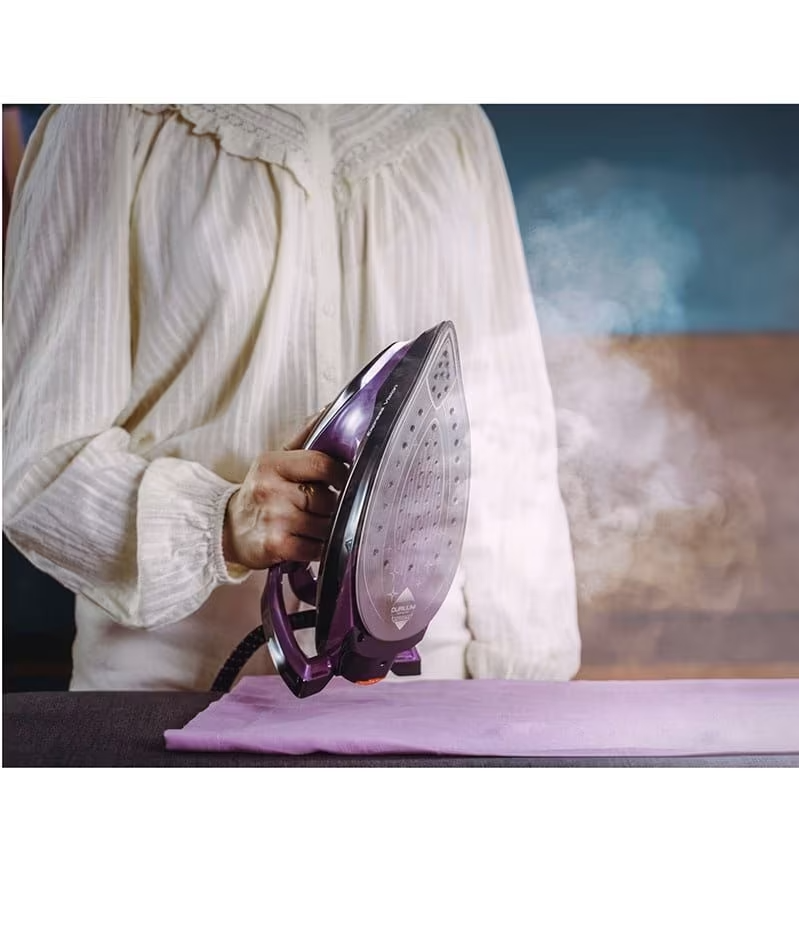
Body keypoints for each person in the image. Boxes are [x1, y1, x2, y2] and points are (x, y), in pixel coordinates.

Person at [2, 104, 580, 690]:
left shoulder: (451, 127)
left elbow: (510, 439)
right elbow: (34, 458)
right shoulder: (112, 115)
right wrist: (219, 524)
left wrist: (524, 685)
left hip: (422, 676)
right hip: (172, 680)